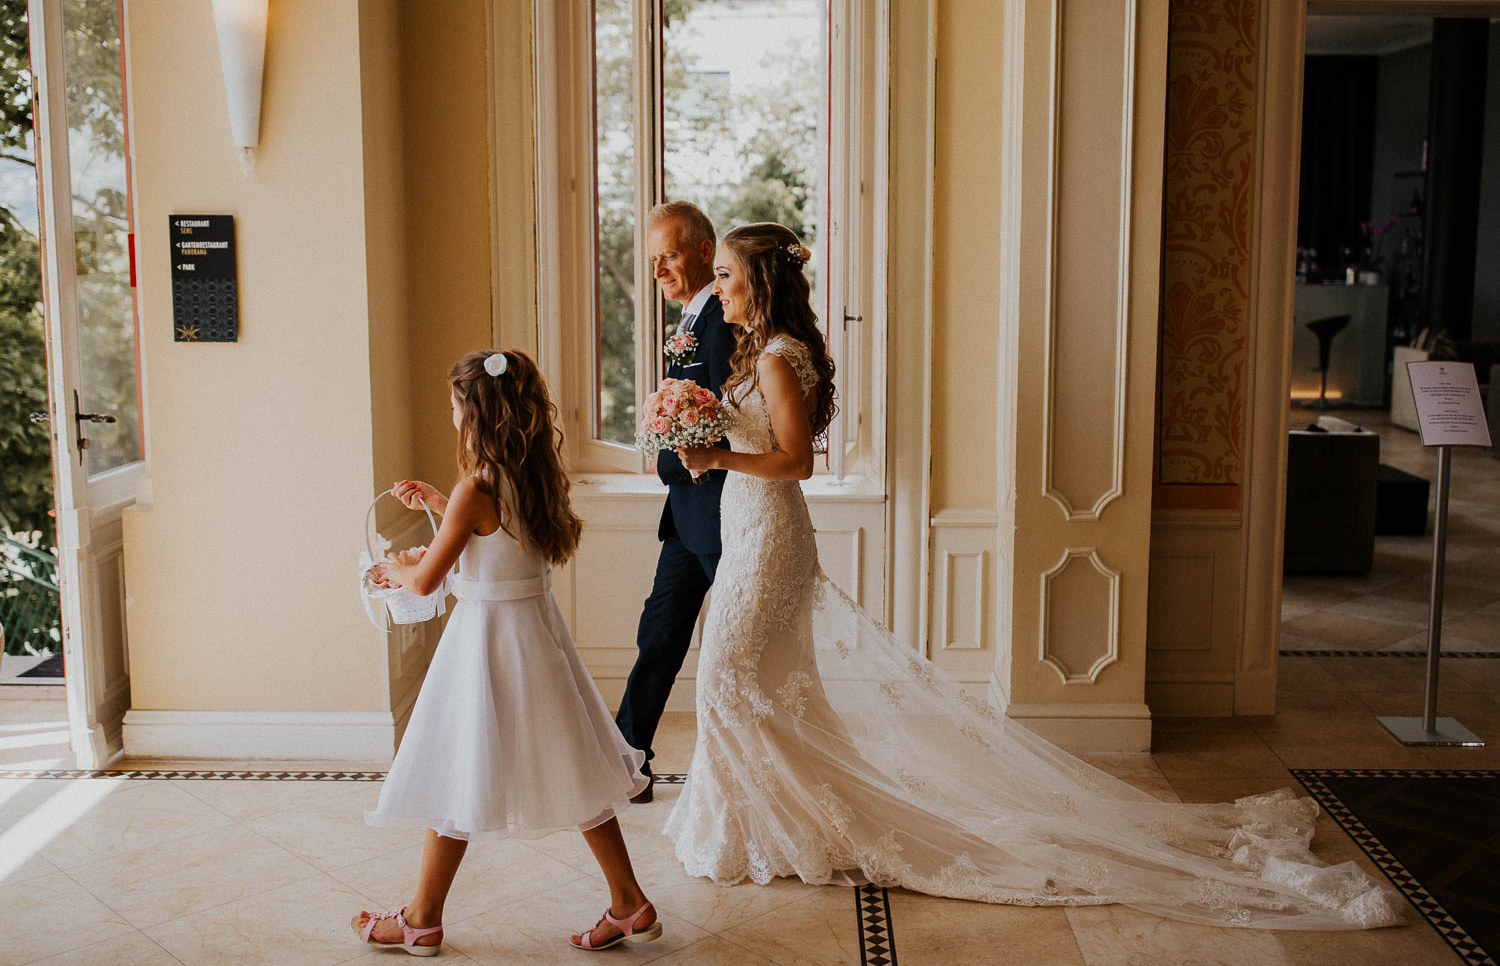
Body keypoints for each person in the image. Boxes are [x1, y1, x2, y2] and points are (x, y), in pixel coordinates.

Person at [667, 222, 1406, 930]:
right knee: (754, 685)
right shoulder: (764, 350)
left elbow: (795, 461)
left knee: (728, 677)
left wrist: (717, 456)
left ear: (759, 278)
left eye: (726, 274)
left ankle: (781, 827)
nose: (718, 286)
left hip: (769, 539)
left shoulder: (774, 358)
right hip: (753, 530)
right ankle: (774, 827)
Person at [352, 349, 663, 955]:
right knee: (574, 765)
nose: (450, 416)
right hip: (536, 637)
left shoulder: (477, 486)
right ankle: (629, 901)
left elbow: (425, 582)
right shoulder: (531, 472)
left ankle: (420, 918)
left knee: (458, 766)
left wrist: (391, 567)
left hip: (485, 643)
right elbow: (500, 536)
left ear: (475, 412)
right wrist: (441, 508)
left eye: (452, 406)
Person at [614, 201, 738, 803]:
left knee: (738, 644)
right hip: (686, 519)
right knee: (659, 631)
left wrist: (667, 456)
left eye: (669, 255)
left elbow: (721, 417)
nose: (659, 269)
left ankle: (742, 775)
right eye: (654, 259)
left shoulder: (722, 317)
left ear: (704, 251)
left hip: (721, 511)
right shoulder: (691, 319)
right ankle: (627, 758)